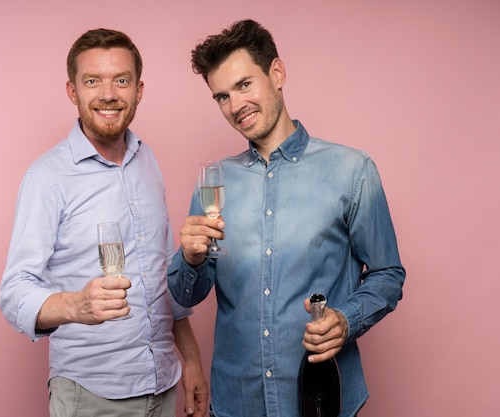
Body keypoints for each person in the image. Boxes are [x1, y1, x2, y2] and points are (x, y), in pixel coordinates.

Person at [167, 19, 406, 417]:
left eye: (245, 85)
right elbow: (188, 294)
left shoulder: (352, 170)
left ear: (276, 73)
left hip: (324, 401)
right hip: (236, 402)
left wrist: (346, 321)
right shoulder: (215, 183)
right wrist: (190, 259)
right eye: (222, 96)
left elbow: (388, 273)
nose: (235, 105)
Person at [0, 28, 208, 417]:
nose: (108, 94)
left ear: (139, 90)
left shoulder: (148, 161)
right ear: (72, 91)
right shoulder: (46, 178)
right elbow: (13, 293)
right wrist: (75, 305)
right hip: (91, 396)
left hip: (162, 385)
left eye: (122, 80)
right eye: (92, 81)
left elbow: (163, 274)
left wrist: (191, 358)